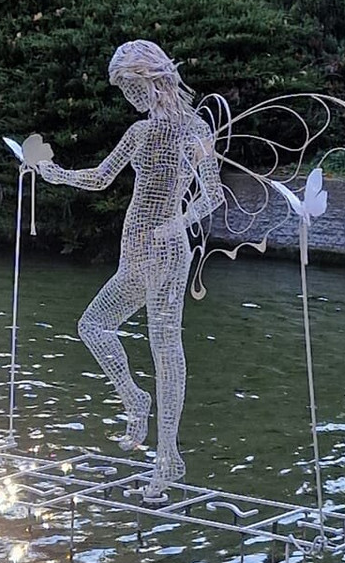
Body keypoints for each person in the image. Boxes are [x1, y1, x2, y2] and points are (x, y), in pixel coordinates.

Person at [37, 40, 224, 498]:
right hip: (133, 250)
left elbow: (212, 195)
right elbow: (102, 177)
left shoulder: (195, 130)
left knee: (165, 346)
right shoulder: (139, 132)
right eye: (123, 90)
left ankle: (168, 458)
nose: (128, 97)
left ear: (149, 81)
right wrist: (58, 174)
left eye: (129, 87)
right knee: (93, 325)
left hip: (167, 251)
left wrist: (175, 224)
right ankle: (135, 398)